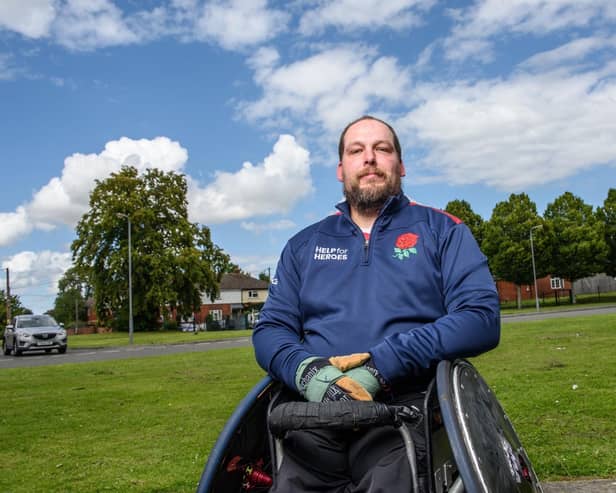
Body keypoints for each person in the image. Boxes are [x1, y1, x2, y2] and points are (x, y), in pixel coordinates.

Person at [252, 115, 500, 492]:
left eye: (382, 149)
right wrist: (310, 375)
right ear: (341, 169)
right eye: (357, 151)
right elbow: (270, 330)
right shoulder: (303, 245)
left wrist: (381, 367)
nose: (369, 158)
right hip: (315, 409)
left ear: (400, 165)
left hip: (406, 409)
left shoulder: (443, 230)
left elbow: (480, 318)